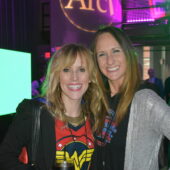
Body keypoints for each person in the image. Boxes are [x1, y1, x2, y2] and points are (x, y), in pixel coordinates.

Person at [0, 43, 108, 170]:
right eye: (66, 70)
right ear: (57, 75)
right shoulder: (34, 112)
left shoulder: (96, 118)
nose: (74, 77)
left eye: (82, 69)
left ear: (90, 77)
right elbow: (4, 158)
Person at [90, 26, 170, 170]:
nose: (110, 60)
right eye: (102, 54)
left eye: (116, 51)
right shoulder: (98, 100)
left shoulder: (146, 100)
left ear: (127, 53)